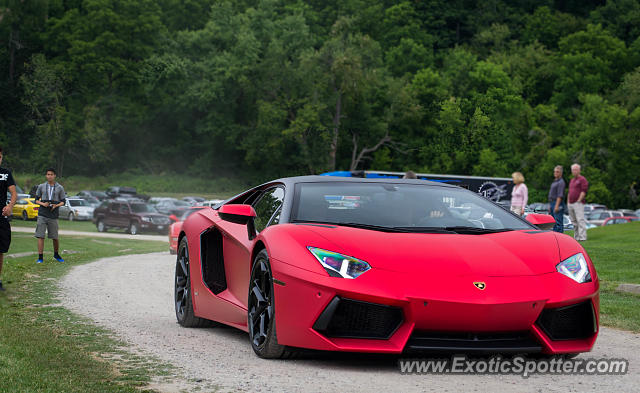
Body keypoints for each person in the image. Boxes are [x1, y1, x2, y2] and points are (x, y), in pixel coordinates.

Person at [34, 168, 66, 263]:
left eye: (51, 174)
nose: (49, 176)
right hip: (42, 213)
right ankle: (40, 257)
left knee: (55, 237)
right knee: (40, 236)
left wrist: (56, 205)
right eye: (48, 174)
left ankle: (56, 254)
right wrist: (43, 204)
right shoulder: (41, 186)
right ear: (46, 175)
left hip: (53, 214)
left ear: (55, 175)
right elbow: (35, 200)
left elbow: (63, 202)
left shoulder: (60, 187)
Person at [0, 147, 18, 291]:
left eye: (0, 156)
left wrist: (10, 206)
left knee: (0, 249)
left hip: (1, 215)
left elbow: (13, 193)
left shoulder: (6, 174)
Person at [568, 163, 589, 241]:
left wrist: (579, 200)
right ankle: (576, 237)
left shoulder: (582, 179)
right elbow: (569, 192)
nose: (574, 171)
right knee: (574, 222)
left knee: (580, 220)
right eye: (573, 170)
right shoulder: (572, 180)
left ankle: (583, 237)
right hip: (570, 203)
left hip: (578, 203)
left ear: (579, 170)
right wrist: (568, 202)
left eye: (575, 169)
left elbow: (584, 190)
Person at [548, 165, 566, 233]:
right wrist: (550, 205)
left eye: (557, 172)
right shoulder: (555, 181)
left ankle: (560, 238)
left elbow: (560, 195)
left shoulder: (561, 182)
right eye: (555, 172)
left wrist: (556, 206)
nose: (555, 173)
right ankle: (555, 237)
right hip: (552, 202)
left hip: (557, 203)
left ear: (561, 173)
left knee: (558, 222)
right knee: (553, 222)